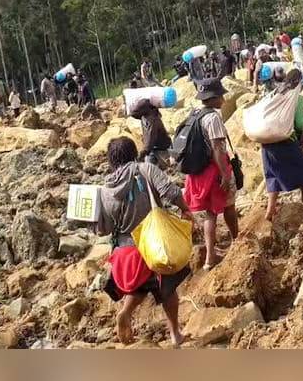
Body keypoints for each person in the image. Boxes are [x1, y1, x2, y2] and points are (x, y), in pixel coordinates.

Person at [94, 138, 192, 346]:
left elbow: (104, 228)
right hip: (155, 244)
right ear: (133, 152)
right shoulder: (146, 169)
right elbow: (171, 192)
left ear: (111, 160)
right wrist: (186, 209)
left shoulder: (104, 190)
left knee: (142, 285)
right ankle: (175, 333)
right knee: (168, 288)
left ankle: (126, 312)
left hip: (125, 253)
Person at [181, 78, 239, 269]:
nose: (223, 98)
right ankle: (236, 241)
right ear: (213, 97)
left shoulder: (195, 114)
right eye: (220, 95)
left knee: (210, 213)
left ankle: (209, 258)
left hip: (198, 174)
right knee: (228, 207)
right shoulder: (212, 118)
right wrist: (225, 173)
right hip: (214, 171)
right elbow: (217, 148)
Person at [260, 69, 303, 221]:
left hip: (266, 143)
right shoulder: (295, 99)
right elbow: (300, 124)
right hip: (285, 142)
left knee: (272, 175)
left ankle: (270, 209)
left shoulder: (272, 94)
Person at [129, 99, 172, 167]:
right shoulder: (144, 116)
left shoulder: (152, 120)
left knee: (152, 168)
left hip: (161, 148)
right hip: (154, 147)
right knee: (149, 168)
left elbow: (151, 139)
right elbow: (133, 114)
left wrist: (142, 154)